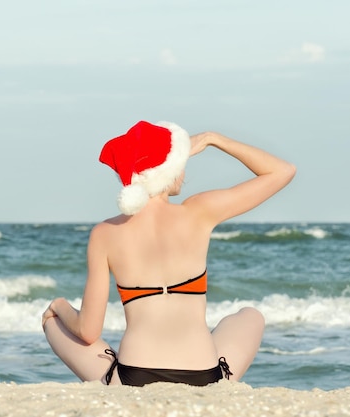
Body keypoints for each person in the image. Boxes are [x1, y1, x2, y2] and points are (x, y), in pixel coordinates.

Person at [42, 120, 296, 386]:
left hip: (132, 378)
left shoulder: (105, 232)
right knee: (250, 316)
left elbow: (87, 331)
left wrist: (59, 305)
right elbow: (282, 171)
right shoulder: (199, 211)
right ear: (170, 169)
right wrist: (213, 138)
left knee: (54, 321)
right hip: (205, 377)